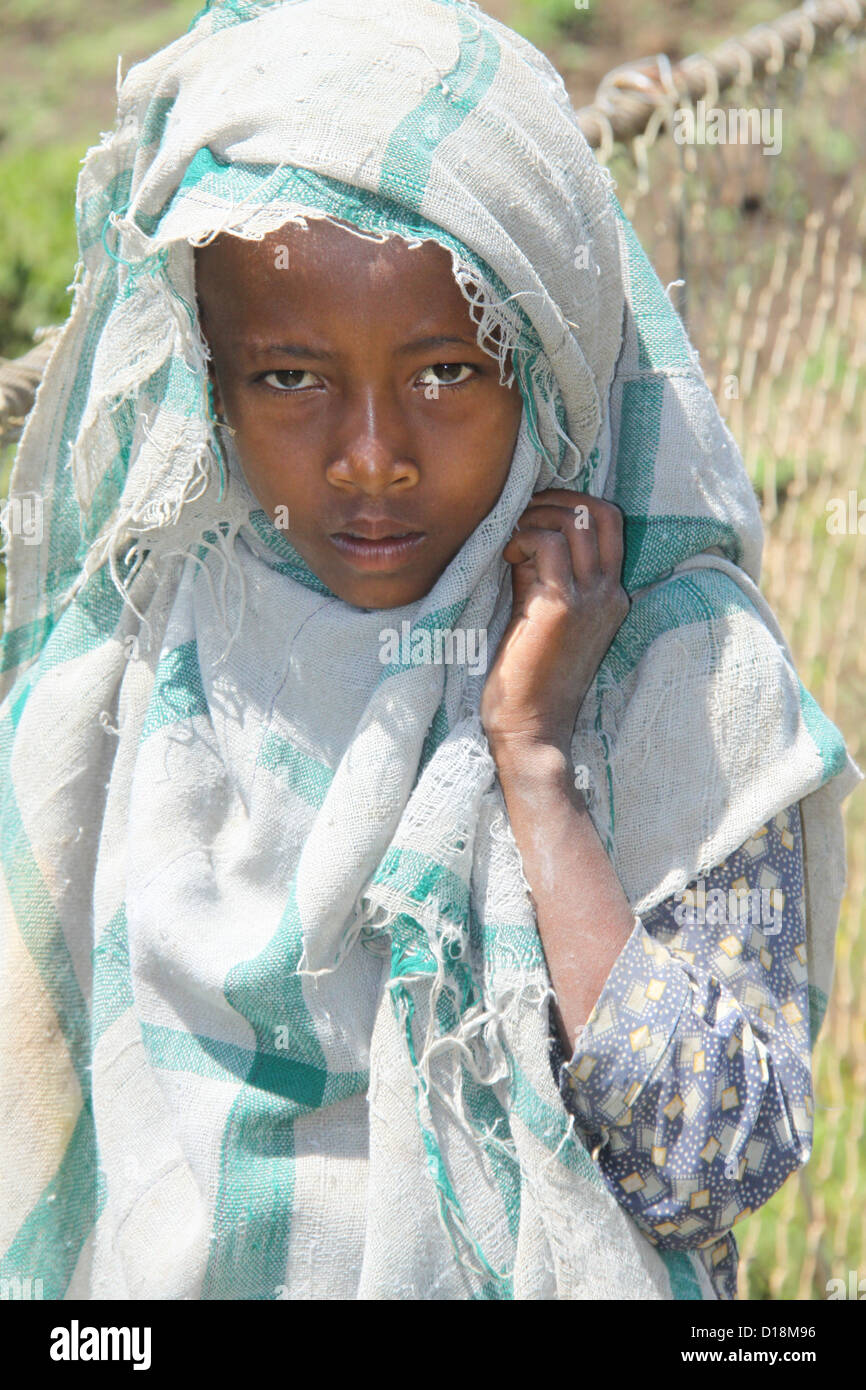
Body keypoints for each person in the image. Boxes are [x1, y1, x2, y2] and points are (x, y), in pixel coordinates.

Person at [0, 0, 860, 1301]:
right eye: (288, 378)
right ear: (210, 373)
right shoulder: (140, 650)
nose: (370, 455)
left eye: (450, 369)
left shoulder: (675, 670)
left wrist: (535, 767)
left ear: (556, 359)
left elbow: (715, 1161)